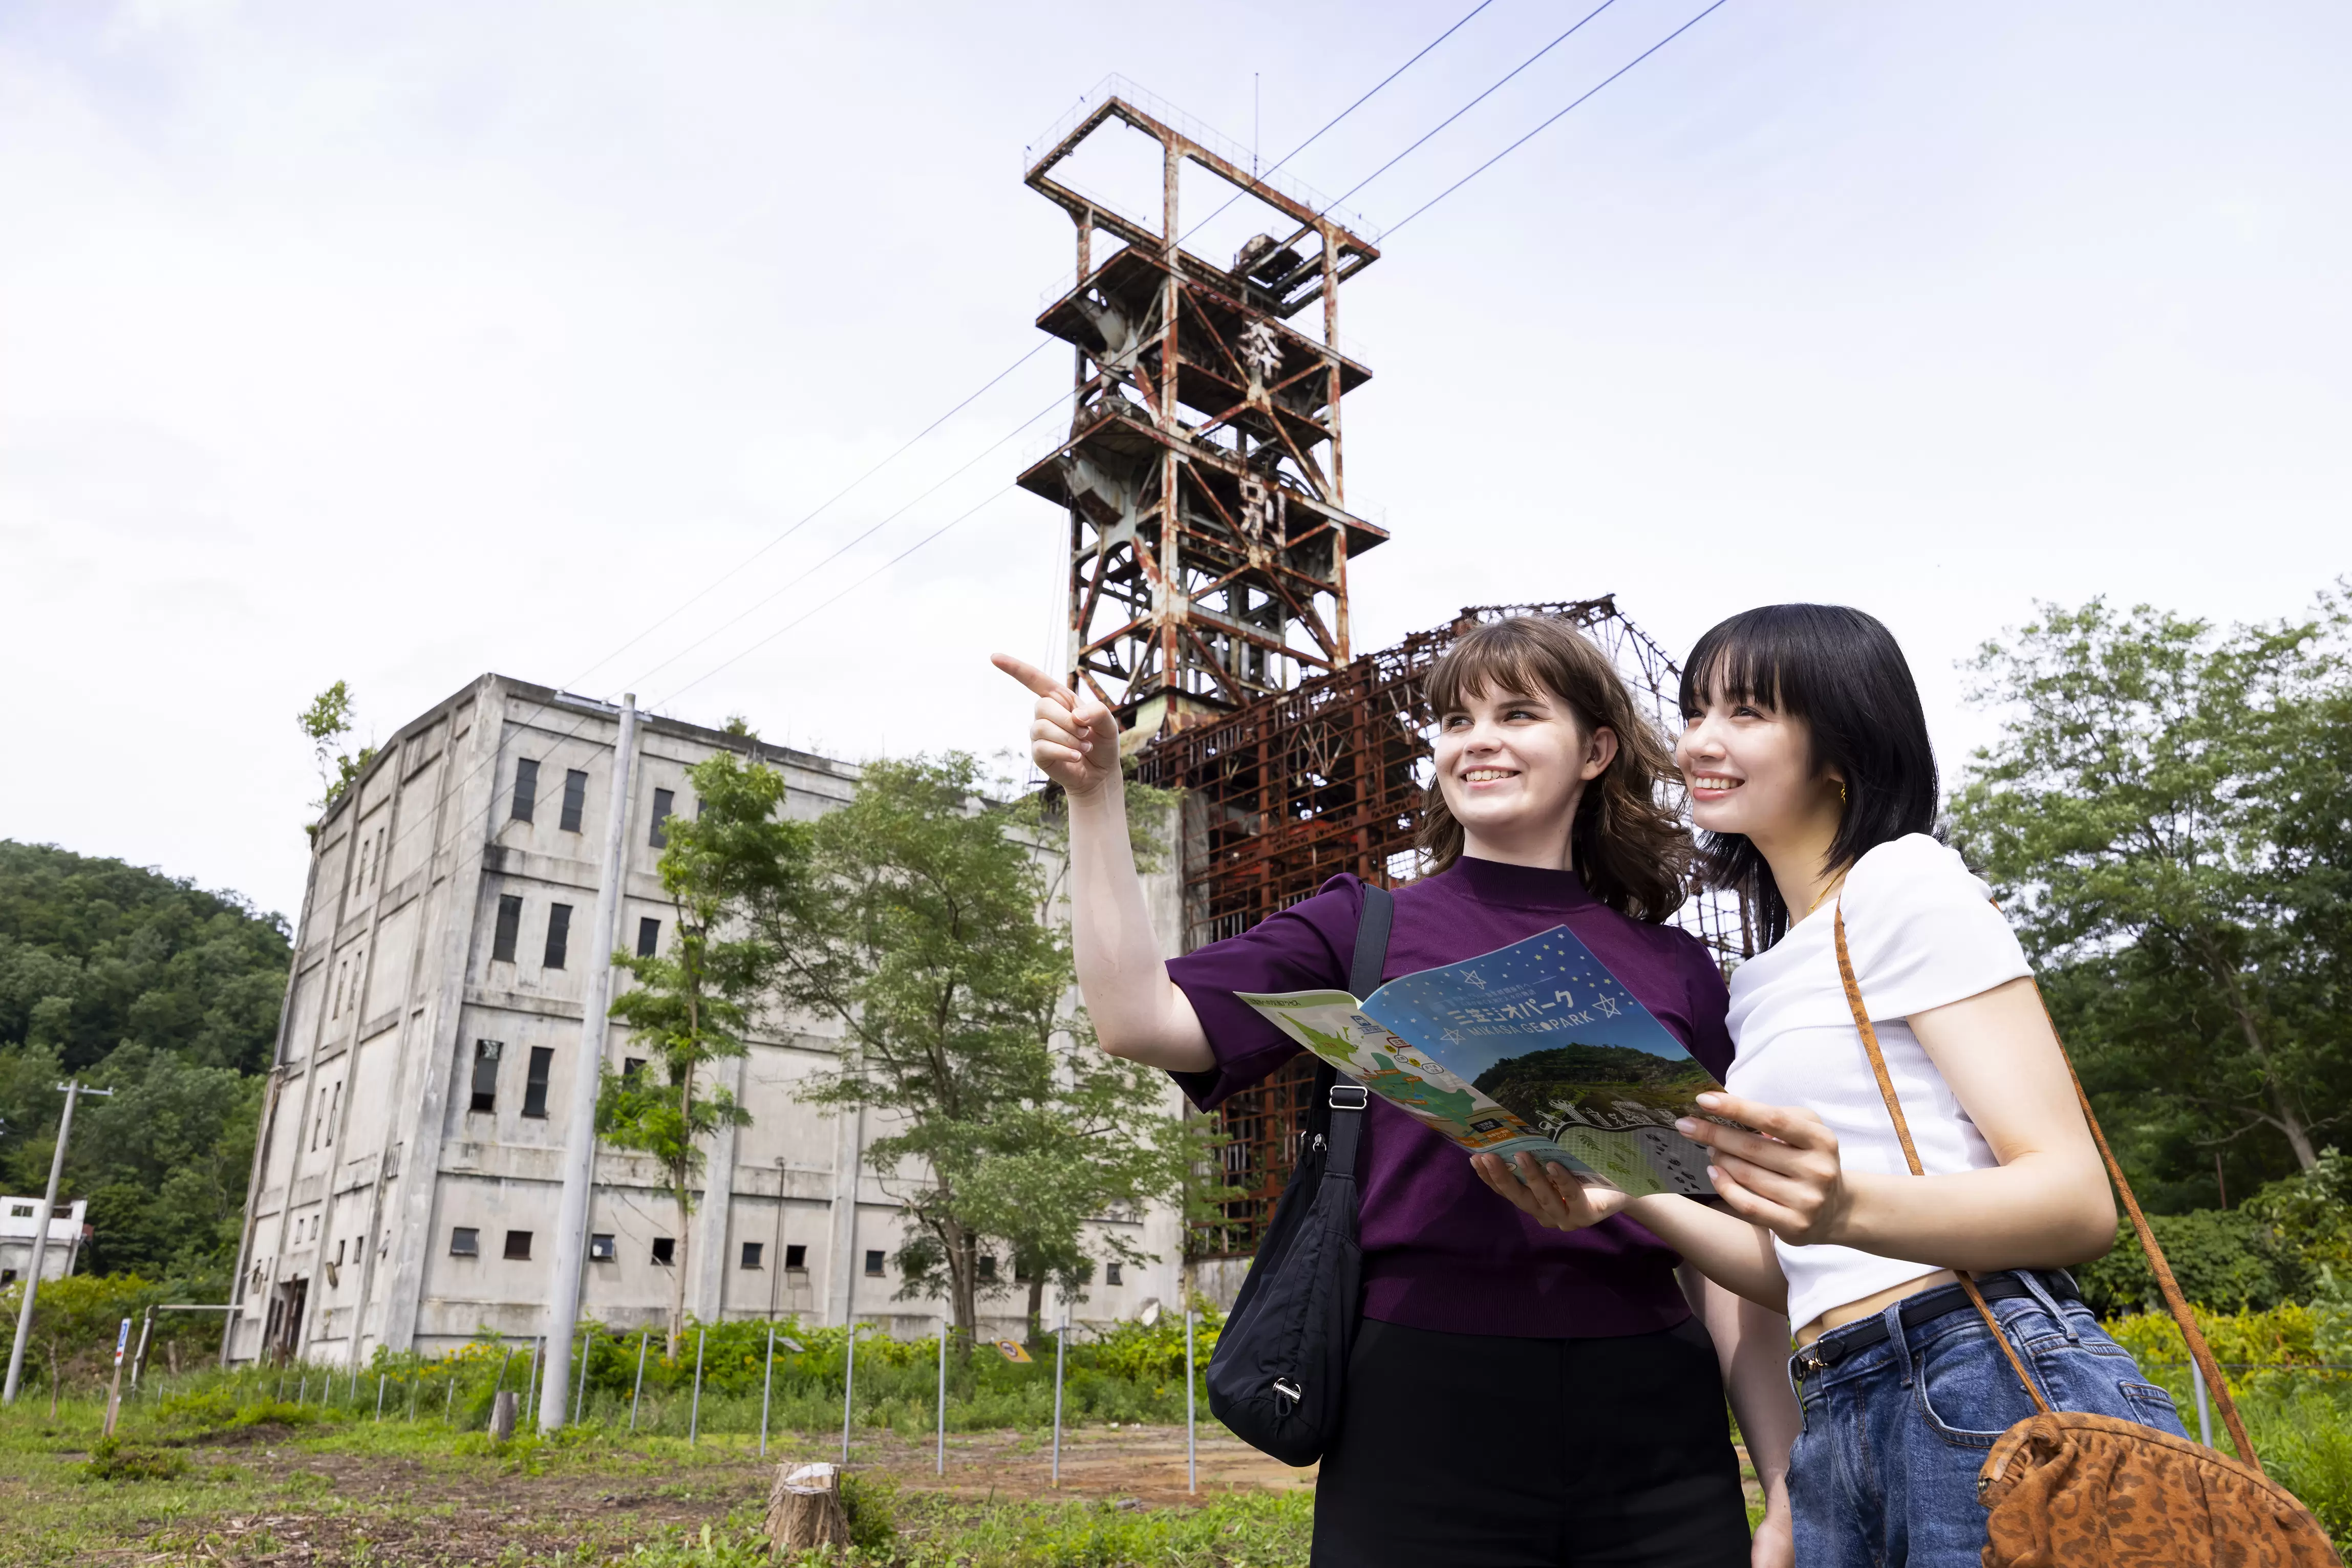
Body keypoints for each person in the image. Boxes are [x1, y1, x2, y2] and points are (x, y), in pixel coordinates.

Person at [996, 616, 1799, 1568]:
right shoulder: (1361, 925)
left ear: (1596, 750)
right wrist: (1095, 797)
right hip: (1416, 1399)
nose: (1478, 739)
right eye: (1455, 721)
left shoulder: (1680, 969)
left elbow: (1729, 1259)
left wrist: (1783, 1483)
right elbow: (1138, 1017)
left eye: (1516, 713)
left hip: (1656, 1419)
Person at [1473, 604, 2189, 1568]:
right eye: (1693, 712)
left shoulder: (1905, 882)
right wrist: (1624, 1190)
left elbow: (2072, 1199)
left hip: (1974, 1370)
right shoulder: (1761, 980)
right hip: (1839, 1401)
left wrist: (1848, 1202)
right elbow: (1795, 1264)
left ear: (1840, 747)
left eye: (1747, 712)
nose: (1700, 742)